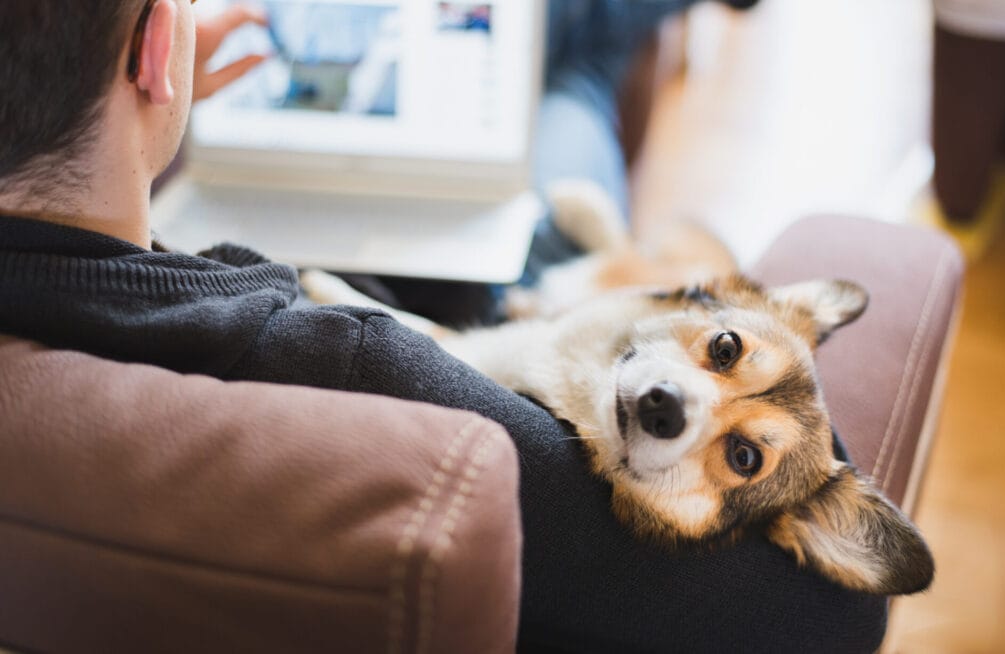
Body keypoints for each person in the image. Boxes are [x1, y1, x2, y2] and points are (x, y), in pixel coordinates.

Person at [0, 1, 888, 651]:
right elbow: (844, 614)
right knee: (574, 80)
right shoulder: (353, 368)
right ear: (158, 51)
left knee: (568, 51)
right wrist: (764, 337)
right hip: (505, 315)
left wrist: (156, 125)